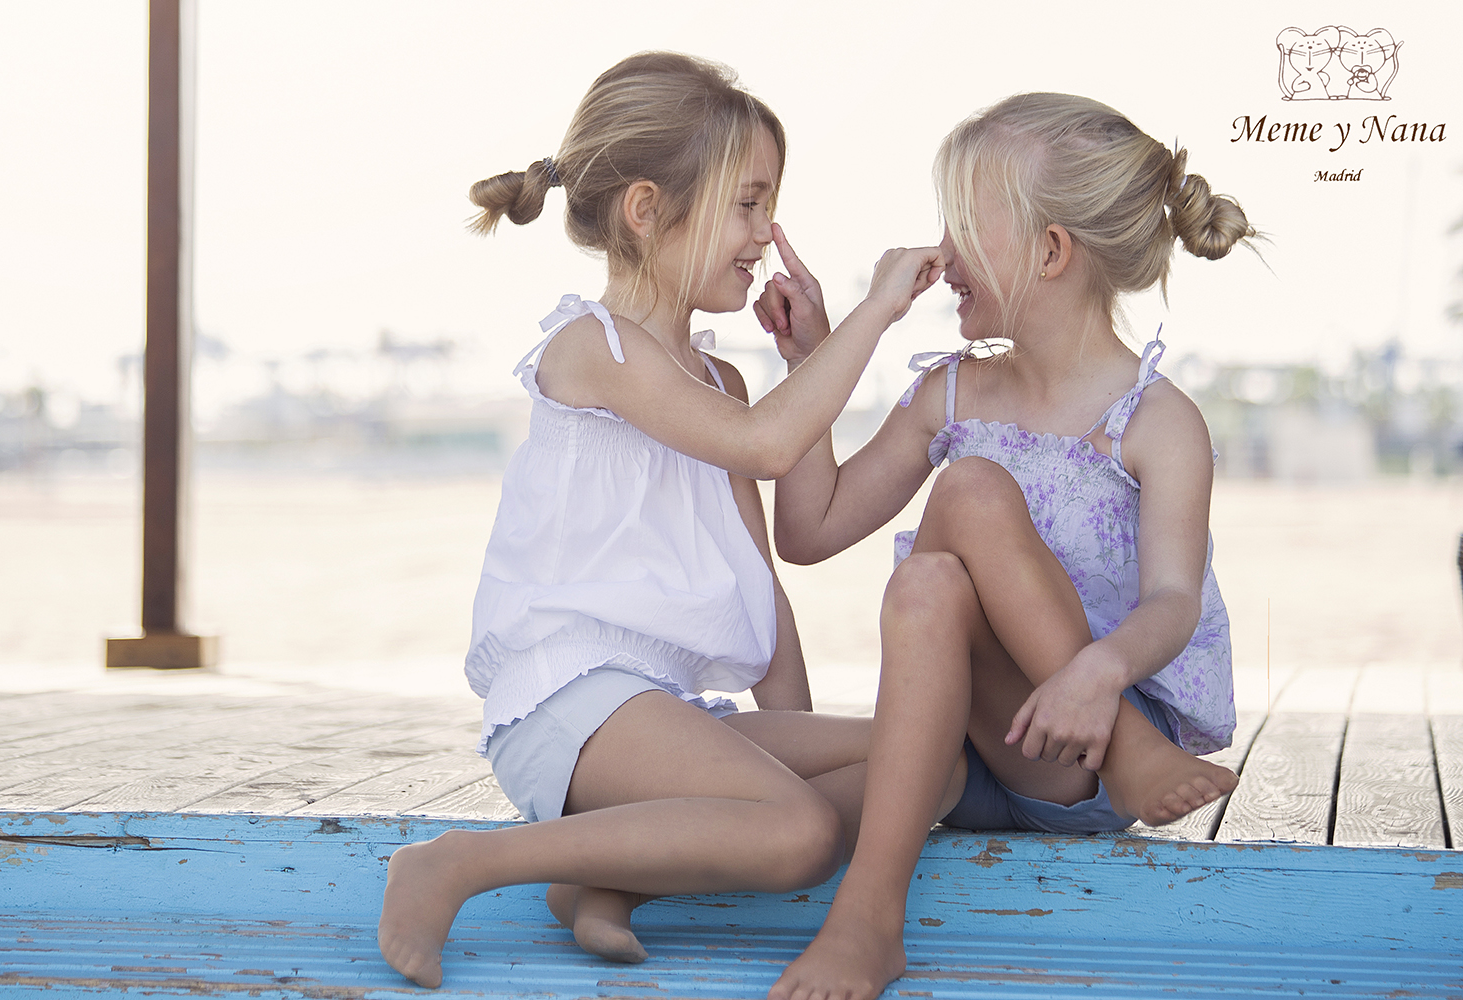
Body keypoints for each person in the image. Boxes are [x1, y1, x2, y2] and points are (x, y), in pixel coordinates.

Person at [376, 51, 951, 990]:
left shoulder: (722, 384)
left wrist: (807, 350)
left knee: (933, 766)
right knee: (798, 831)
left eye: (770, 207)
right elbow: (768, 445)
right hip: (570, 699)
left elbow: (762, 586)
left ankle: (604, 875)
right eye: (747, 204)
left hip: (662, 711)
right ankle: (458, 863)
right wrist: (874, 314)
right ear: (647, 211)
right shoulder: (592, 350)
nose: (766, 234)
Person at [755, 93, 1254, 1000]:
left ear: (1052, 252)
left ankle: (868, 918)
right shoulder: (949, 394)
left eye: (962, 225)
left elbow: (1175, 600)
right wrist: (810, 362)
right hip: (957, 758)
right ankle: (605, 868)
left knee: (970, 495)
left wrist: (1101, 676)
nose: (940, 253)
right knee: (924, 591)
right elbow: (810, 527)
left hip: (1077, 757)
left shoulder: (1154, 421)